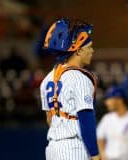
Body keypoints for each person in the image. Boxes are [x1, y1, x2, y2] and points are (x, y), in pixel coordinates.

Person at [40, 19, 100, 160]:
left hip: (52, 149)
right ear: (78, 51)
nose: (92, 51)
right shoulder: (79, 78)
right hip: (74, 147)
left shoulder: (47, 79)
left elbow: (49, 119)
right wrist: (95, 155)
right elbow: (86, 119)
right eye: (89, 47)